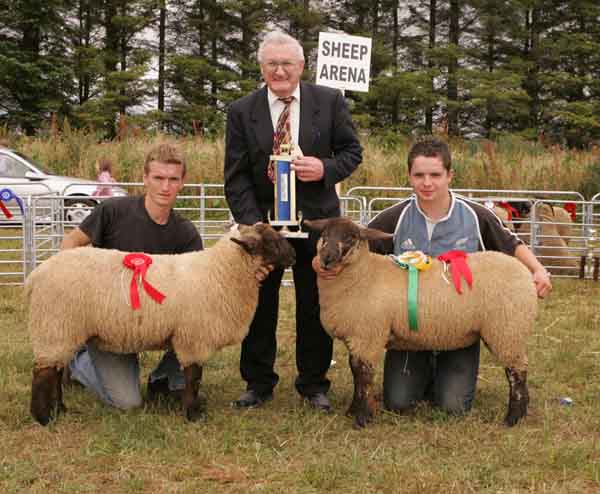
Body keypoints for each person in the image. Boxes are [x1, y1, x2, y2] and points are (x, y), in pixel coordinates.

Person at [315, 137, 551, 417]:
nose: (427, 183)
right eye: (419, 175)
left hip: (457, 321)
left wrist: (538, 270)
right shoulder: (395, 217)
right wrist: (322, 263)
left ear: (449, 175)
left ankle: (477, 381)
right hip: (410, 328)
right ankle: (421, 372)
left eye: (435, 175)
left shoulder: (474, 214)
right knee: (399, 402)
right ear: (409, 177)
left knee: (453, 406)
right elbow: (358, 246)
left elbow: (510, 243)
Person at [224, 30, 363, 411]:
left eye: (287, 63)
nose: (280, 70)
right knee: (260, 301)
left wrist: (324, 168)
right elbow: (235, 178)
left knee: (314, 302)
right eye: (272, 63)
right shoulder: (241, 110)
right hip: (265, 227)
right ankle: (257, 382)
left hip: (317, 225)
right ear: (261, 67)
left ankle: (314, 384)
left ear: (302, 66)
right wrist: (257, 228)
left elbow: (353, 153)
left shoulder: (330, 101)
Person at [61, 143, 204, 410]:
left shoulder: (186, 233)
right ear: (145, 178)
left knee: (201, 326)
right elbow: (70, 244)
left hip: (156, 319)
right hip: (109, 325)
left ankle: (164, 378)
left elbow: (196, 286)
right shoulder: (113, 211)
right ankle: (78, 361)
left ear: (183, 182)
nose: (165, 187)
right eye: (158, 178)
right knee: (128, 402)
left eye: (173, 179)